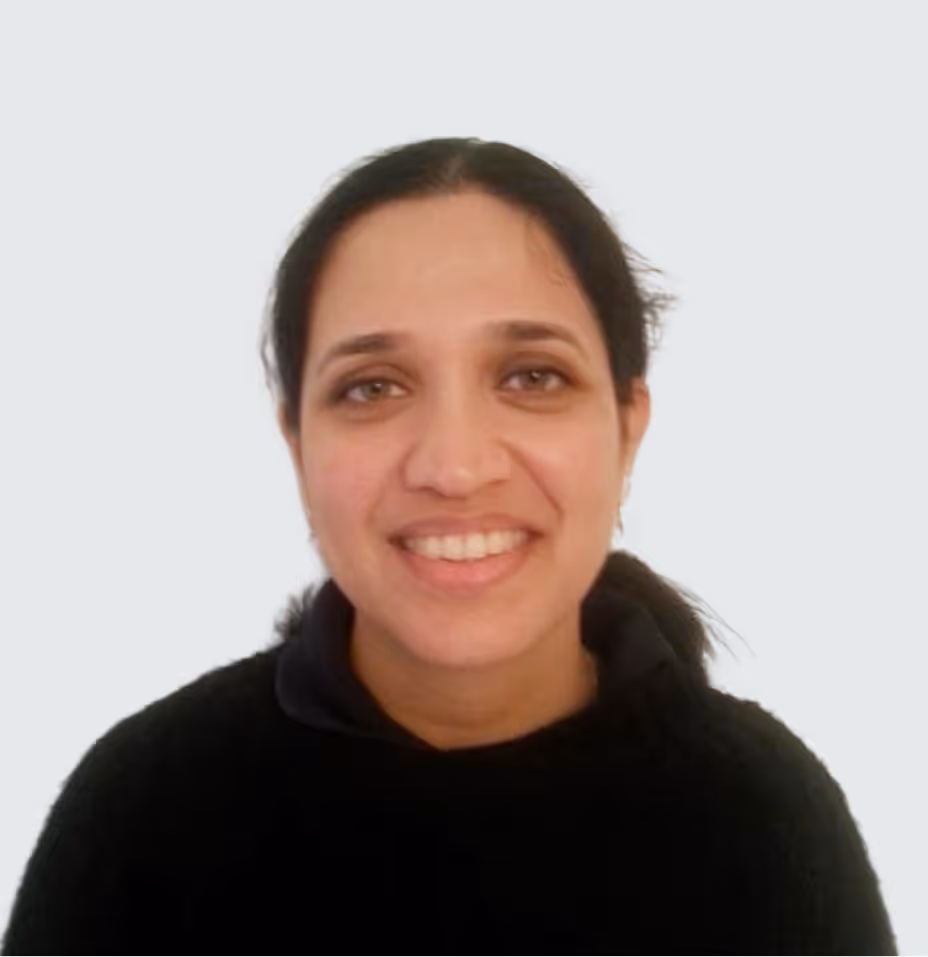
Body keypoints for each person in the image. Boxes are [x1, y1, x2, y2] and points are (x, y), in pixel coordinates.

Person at [2, 137, 898, 955]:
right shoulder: (147, 811)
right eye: (373, 386)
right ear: (297, 445)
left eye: (532, 375)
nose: (455, 466)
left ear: (627, 430)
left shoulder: (766, 819)